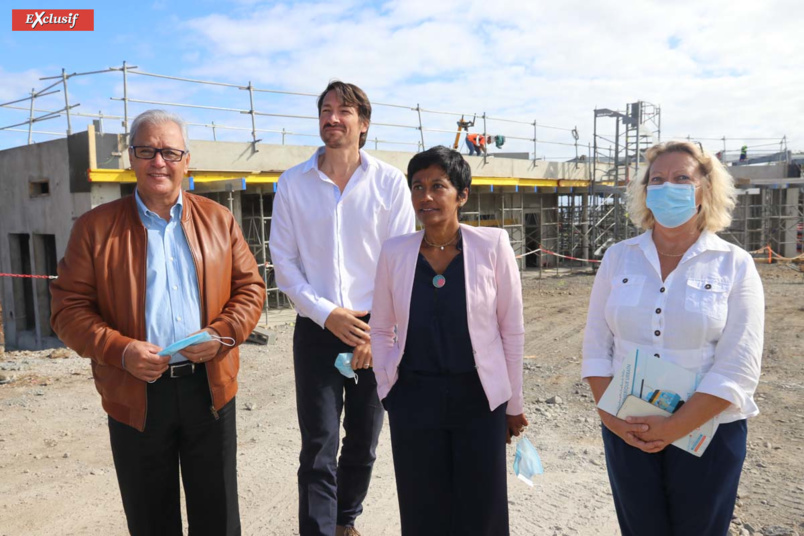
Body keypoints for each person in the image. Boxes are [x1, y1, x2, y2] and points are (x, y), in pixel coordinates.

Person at [50, 109, 266, 536]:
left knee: (218, 517)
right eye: (146, 150)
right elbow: (67, 309)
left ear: (187, 160)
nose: (158, 162)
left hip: (210, 390)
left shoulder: (219, 220)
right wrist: (121, 350)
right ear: (131, 158)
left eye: (169, 151)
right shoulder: (94, 228)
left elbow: (251, 290)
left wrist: (222, 335)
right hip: (136, 395)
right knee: (150, 519)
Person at [582, 140, 764, 536]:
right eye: (658, 180)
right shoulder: (618, 258)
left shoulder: (735, 264)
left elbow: (738, 366)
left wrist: (676, 425)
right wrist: (611, 420)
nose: (668, 187)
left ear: (706, 189)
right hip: (626, 427)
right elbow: (596, 349)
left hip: (708, 434)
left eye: (682, 178)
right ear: (646, 192)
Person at [269, 81, 415, 536]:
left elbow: (401, 262)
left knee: (364, 442)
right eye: (326, 110)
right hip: (316, 327)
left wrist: (378, 332)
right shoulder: (293, 183)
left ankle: (345, 519)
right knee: (317, 444)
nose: (333, 117)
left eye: (344, 110)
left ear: (363, 124)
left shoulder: (389, 183)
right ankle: (318, 530)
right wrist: (326, 313)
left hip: (376, 328)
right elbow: (285, 264)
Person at [371, 145, 527, 535]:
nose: (426, 196)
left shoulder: (492, 246)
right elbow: (380, 327)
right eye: (418, 186)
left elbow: (511, 328)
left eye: (438, 186)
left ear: (462, 194)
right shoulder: (394, 252)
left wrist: (513, 402)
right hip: (413, 398)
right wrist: (387, 386)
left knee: (482, 509)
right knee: (422, 508)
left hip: (478, 398)